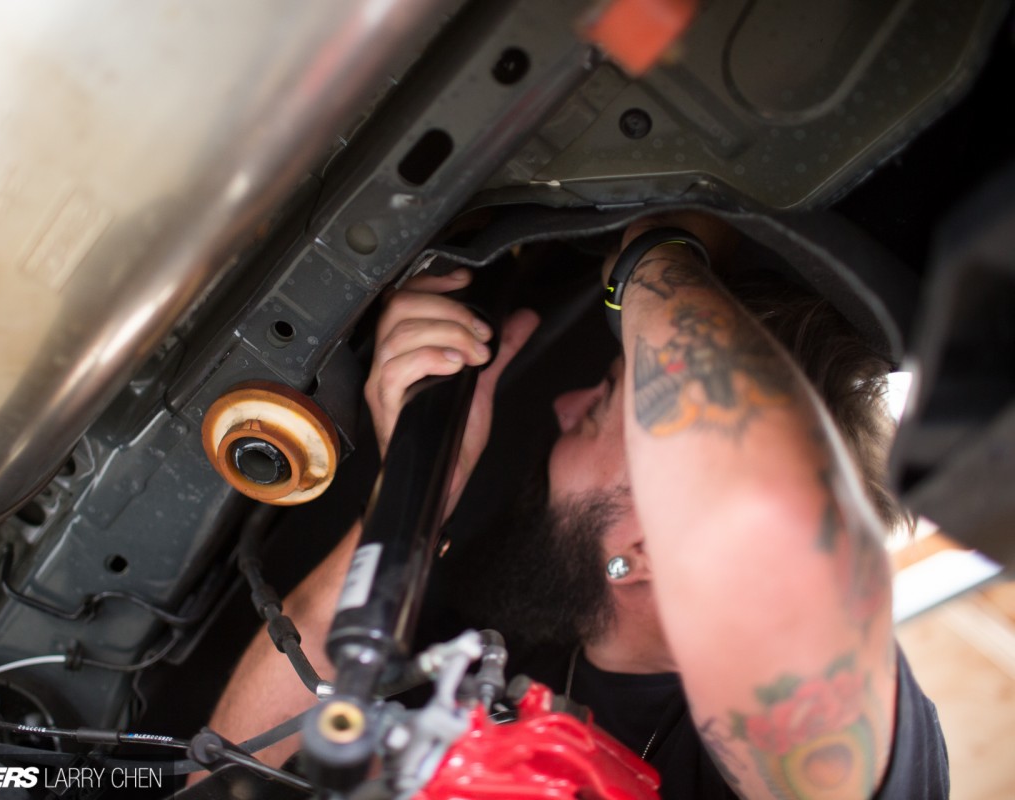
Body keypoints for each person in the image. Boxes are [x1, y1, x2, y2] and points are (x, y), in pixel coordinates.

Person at [202, 211, 949, 799]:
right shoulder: (495, 653)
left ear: (660, 544)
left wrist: (656, 251)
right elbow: (219, 775)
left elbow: (757, 509)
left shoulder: (838, 755)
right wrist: (415, 496)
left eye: (601, 408)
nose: (565, 405)